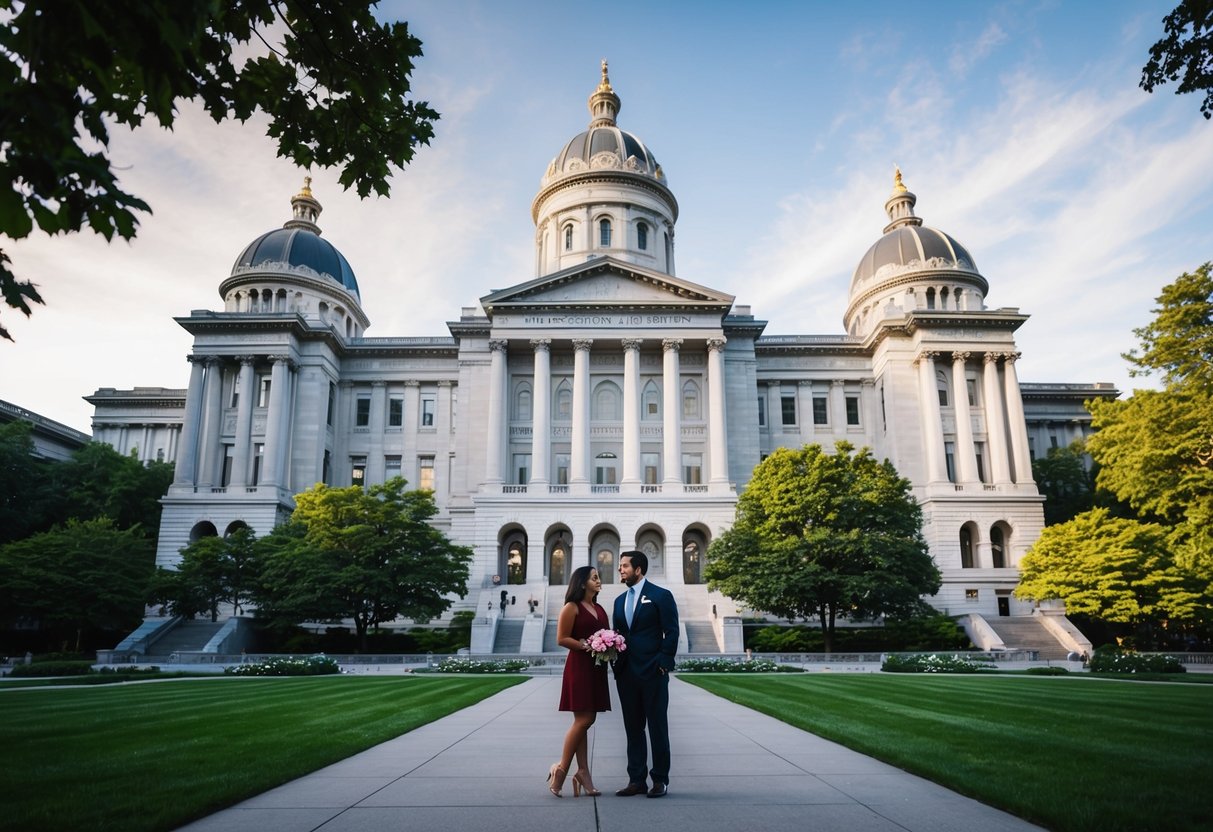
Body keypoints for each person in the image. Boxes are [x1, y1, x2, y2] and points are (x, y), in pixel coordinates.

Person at [611, 550, 678, 798]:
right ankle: (636, 779)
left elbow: (671, 631)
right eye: (620, 566)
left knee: (657, 726)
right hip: (626, 673)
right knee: (633, 728)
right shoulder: (619, 601)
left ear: (638, 569)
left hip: (653, 671)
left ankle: (660, 779)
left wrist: (664, 662)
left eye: (625, 566)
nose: (620, 569)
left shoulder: (661, 595)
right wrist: (615, 664)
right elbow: (618, 634)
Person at [547, 565, 610, 798]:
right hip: (579, 668)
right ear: (582, 583)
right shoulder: (571, 607)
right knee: (585, 719)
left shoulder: (600, 609)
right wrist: (587, 645)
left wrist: (610, 644)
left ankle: (583, 772)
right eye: (594, 578)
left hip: (597, 668)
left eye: (598, 577)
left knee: (583, 722)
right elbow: (562, 638)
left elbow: (606, 635)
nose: (599, 580)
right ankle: (561, 769)